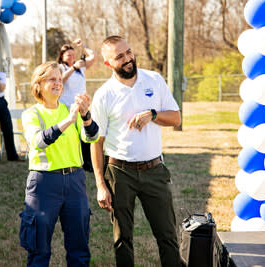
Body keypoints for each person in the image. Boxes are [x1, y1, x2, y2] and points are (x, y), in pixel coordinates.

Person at [91, 36, 182, 267]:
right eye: (119, 56)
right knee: (122, 239)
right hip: (120, 173)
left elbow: (175, 118)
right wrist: (101, 185)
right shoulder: (104, 94)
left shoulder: (154, 79)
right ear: (108, 64)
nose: (128, 59)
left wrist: (152, 114)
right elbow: (96, 143)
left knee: (167, 236)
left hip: (154, 170)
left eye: (129, 52)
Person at [19, 62, 99, 267]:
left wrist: (85, 115)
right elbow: (38, 142)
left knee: (79, 249)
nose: (58, 83)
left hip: (75, 182)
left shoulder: (69, 109)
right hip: (45, 183)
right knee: (39, 248)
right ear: (39, 85)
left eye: (59, 78)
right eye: (51, 79)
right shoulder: (31, 114)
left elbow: (92, 137)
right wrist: (68, 120)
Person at [57, 39, 96, 172]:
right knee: (69, 135)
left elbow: (93, 56)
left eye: (73, 55)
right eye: (68, 55)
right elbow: (60, 80)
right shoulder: (61, 67)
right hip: (66, 106)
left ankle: (87, 162)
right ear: (62, 56)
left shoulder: (80, 68)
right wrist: (73, 68)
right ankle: (69, 161)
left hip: (81, 105)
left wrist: (83, 46)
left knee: (85, 134)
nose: (72, 57)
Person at [0, 56, 21, 162]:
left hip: (1, 101)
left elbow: (2, 88)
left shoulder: (1, 75)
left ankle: (12, 156)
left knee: (8, 128)